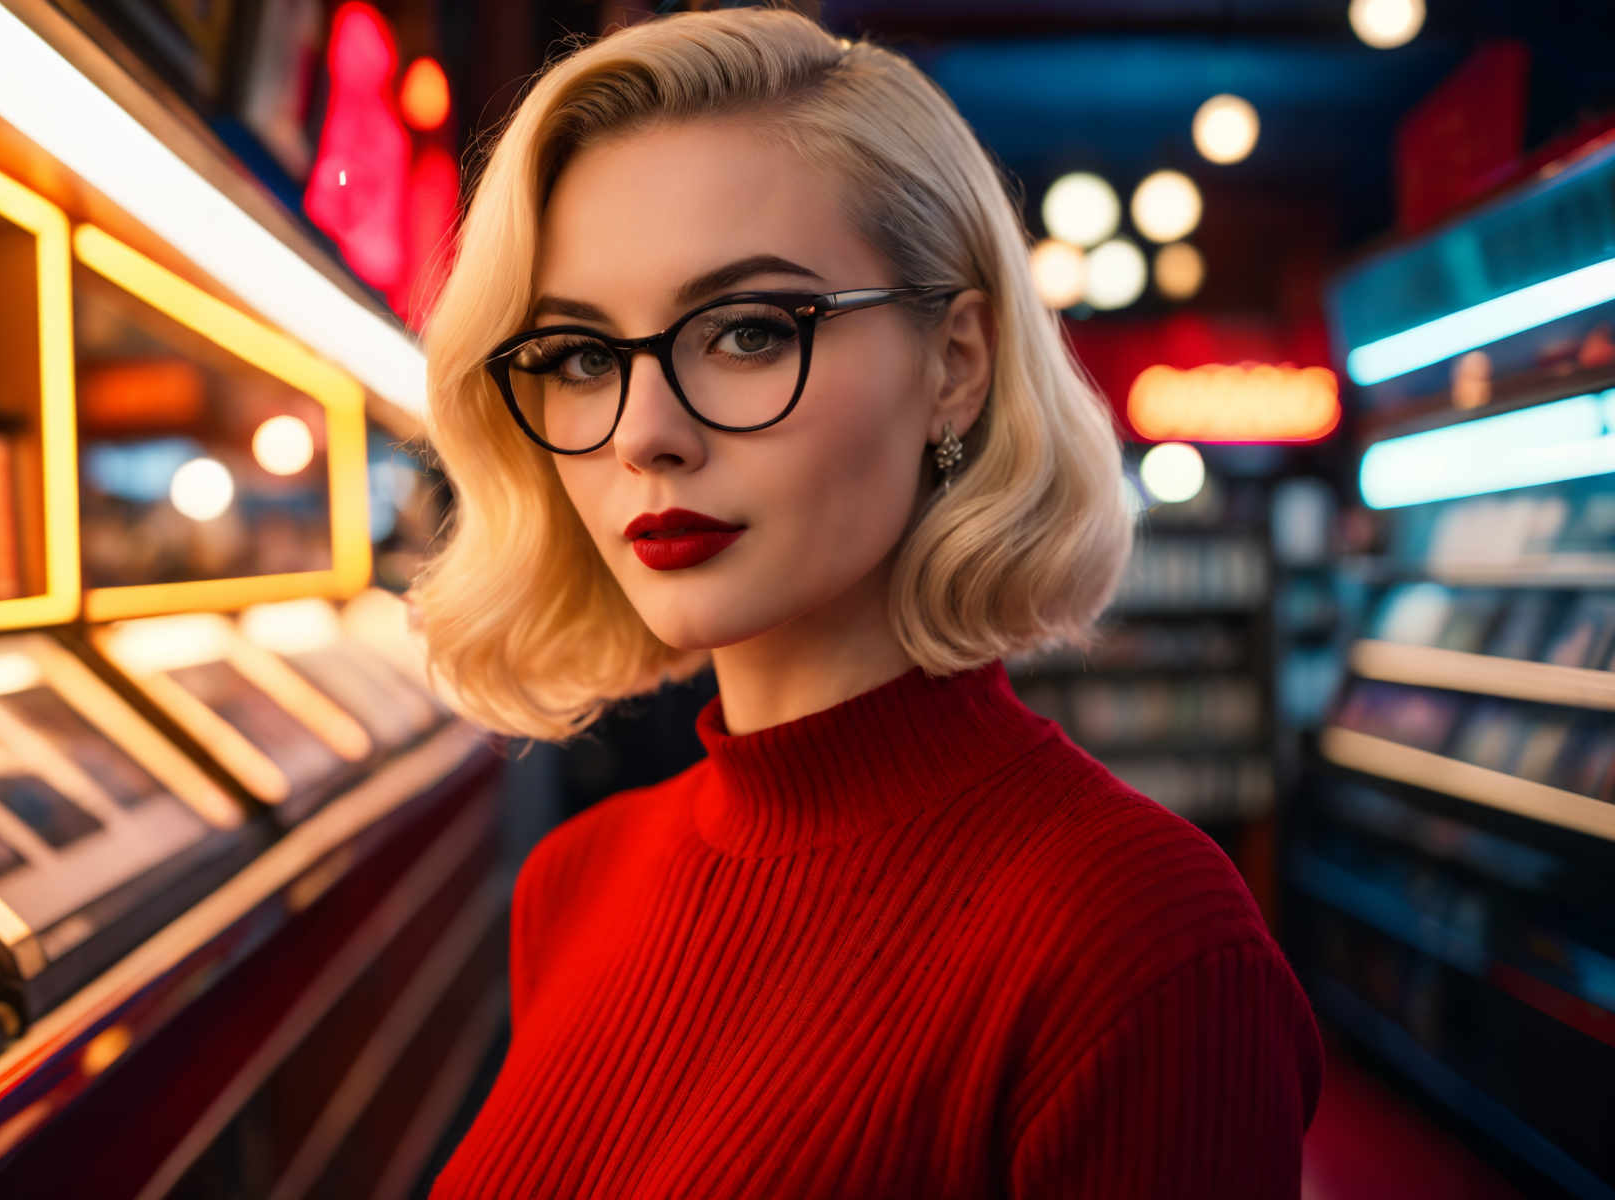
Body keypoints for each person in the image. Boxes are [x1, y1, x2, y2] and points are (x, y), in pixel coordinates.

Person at [411, 8, 1322, 1197]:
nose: (643, 434)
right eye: (579, 357)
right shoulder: (575, 881)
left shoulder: (1135, 944)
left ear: (954, 364)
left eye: (745, 331)